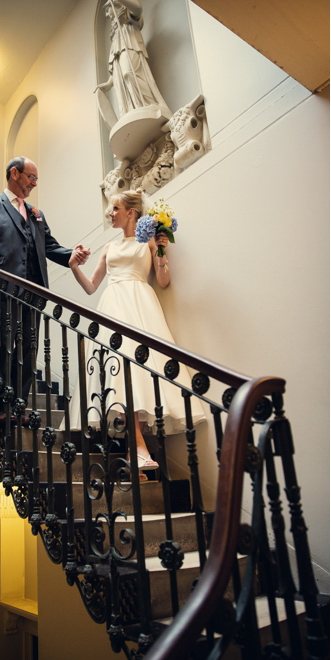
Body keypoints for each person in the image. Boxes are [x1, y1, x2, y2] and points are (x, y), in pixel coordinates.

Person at [68, 190, 204, 472]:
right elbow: (92, 286)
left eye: (115, 208)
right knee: (120, 370)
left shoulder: (150, 242)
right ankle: (137, 446)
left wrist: (163, 250)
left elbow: (163, 281)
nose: (110, 213)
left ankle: (136, 448)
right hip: (113, 306)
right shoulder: (109, 248)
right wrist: (72, 266)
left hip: (141, 305)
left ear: (131, 212)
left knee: (140, 373)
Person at [0, 157, 90, 409]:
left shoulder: (36, 214)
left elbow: (50, 247)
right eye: (31, 177)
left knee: (28, 352)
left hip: (33, 293)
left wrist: (72, 255)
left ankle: (18, 404)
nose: (34, 183)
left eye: (36, 179)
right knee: (3, 349)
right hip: (3, 290)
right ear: (14, 173)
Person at [95, 0, 170, 127]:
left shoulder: (129, 19)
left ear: (116, 5)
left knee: (129, 74)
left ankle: (147, 105)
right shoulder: (115, 34)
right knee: (121, 81)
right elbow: (115, 65)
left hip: (131, 49)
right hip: (122, 59)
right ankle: (131, 111)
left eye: (108, 9)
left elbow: (138, 7)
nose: (106, 13)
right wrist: (109, 83)